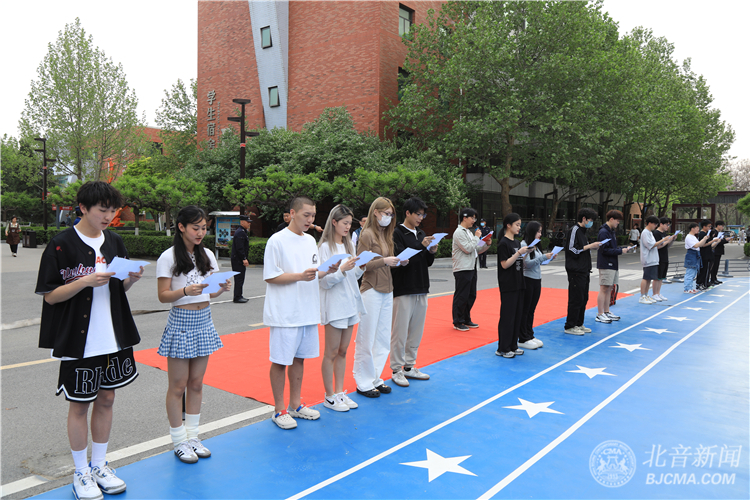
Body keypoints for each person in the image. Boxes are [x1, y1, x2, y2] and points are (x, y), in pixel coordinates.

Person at [35, 181, 144, 500]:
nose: (109, 216)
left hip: (113, 335)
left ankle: (100, 464)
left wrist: (130, 281)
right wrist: (83, 281)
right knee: (80, 404)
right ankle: (80, 471)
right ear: (83, 208)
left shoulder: (114, 241)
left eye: (113, 210)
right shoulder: (61, 244)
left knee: (107, 399)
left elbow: (116, 289)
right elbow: (50, 297)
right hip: (78, 339)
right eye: (102, 210)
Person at [156, 206, 231, 463]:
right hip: (181, 321)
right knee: (178, 386)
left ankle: (193, 436)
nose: (201, 233)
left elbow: (209, 292)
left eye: (204, 228)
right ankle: (179, 441)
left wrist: (220, 289)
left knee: (197, 383)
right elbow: (163, 295)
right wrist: (186, 292)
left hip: (204, 319)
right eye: (195, 228)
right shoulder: (168, 257)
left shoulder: (207, 254)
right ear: (181, 227)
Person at [264, 196, 338, 429]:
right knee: (280, 360)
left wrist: (328, 270)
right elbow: (271, 275)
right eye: (306, 215)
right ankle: (279, 410)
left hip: (307, 310)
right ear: (292, 213)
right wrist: (299, 276)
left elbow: (313, 273)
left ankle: (295, 405)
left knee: (300, 359)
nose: (310, 219)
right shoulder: (277, 240)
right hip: (285, 313)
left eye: (313, 216)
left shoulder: (309, 241)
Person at [353, 197, 405, 398]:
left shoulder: (386, 234)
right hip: (371, 288)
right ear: (375, 212)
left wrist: (398, 261)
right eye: (386, 213)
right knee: (366, 337)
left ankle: (375, 377)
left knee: (382, 338)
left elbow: (386, 262)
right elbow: (361, 264)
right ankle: (363, 381)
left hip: (387, 288)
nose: (388, 217)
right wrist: (384, 260)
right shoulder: (367, 234)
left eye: (391, 214)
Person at [317, 204, 364, 412]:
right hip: (335, 305)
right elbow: (323, 282)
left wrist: (359, 267)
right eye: (344, 223)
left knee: (343, 351)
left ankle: (339, 392)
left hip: (350, 303)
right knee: (331, 352)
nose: (348, 227)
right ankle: (329, 396)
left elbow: (352, 278)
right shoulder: (325, 248)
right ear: (334, 222)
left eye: (349, 224)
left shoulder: (349, 246)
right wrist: (342, 270)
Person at [390, 197, 435, 387]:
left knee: (416, 331)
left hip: (421, 287)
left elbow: (426, 262)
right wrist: (421, 246)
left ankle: (409, 366)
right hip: (403, 288)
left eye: (423, 214)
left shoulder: (421, 233)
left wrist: (431, 251)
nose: (421, 218)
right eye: (418, 214)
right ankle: (396, 369)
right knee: (400, 332)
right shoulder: (396, 233)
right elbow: (400, 257)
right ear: (407, 213)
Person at [563, 208, 601, 335]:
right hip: (576, 270)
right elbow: (572, 249)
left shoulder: (583, 232)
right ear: (583, 219)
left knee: (583, 298)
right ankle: (570, 325)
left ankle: (579, 323)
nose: (591, 223)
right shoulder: (574, 230)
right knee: (576, 298)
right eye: (590, 220)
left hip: (584, 270)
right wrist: (590, 246)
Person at [495, 213, 529, 358]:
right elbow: (505, 264)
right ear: (508, 225)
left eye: (520, 225)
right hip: (508, 284)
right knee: (507, 316)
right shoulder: (503, 243)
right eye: (517, 224)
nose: (519, 227)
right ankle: (503, 348)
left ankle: (513, 345)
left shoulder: (516, 242)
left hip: (519, 283)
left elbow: (519, 262)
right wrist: (518, 253)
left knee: (517, 315)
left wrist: (525, 253)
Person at [451, 208, 489, 331]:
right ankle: (458, 321)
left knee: (471, 294)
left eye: (475, 218)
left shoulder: (468, 232)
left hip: (472, 266)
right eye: (472, 218)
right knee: (461, 295)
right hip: (462, 268)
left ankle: (466, 318)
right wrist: (477, 237)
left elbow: (476, 249)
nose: (474, 221)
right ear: (464, 218)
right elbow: (467, 248)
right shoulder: (459, 232)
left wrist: (486, 244)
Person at [519, 221, 554, 348]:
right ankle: (523, 337)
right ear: (532, 231)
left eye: (540, 231)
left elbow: (538, 262)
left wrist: (548, 258)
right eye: (538, 231)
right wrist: (543, 257)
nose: (540, 234)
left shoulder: (536, 246)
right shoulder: (524, 245)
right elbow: (527, 264)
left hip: (537, 279)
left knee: (531, 309)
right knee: (526, 309)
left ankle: (529, 334)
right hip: (527, 279)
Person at [596, 210, 634, 324]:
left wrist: (621, 249)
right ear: (611, 219)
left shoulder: (611, 231)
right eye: (617, 221)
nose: (618, 223)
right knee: (604, 288)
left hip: (613, 263)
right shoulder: (604, 232)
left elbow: (611, 247)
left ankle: (606, 311)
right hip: (606, 263)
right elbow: (604, 249)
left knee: (609, 288)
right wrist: (620, 251)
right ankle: (600, 314)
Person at [639, 215, 675, 304]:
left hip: (653, 258)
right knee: (646, 278)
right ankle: (642, 296)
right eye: (655, 224)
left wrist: (667, 240)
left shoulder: (649, 232)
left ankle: (646, 295)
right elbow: (651, 245)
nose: (655, 226)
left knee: (649, 279)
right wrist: (664, 240)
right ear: (650, 223)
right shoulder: (645, 232)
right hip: (648, 258)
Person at [652, 217, 677, 301]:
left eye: (669, 225)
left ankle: (658, 293)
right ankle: (654, 293)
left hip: (665, 256)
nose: (668, 226)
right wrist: (666, 240)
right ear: (661, 224)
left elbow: (667, 246)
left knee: (662, 277)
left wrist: (671, 240)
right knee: (657, 277)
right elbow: (657, 246)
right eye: (667, 224)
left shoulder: (664, 234)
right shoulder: (656, 233)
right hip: (658, 257)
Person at [683, 222, 713, 293]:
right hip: (691, 254)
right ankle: (687, 288)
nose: (698, 230)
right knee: (690, 272)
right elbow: (696, 245)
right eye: (696, 228)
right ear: (692, 229)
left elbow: (700, 245)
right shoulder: (689, 237)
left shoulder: (693, 237)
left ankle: (690, 287)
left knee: (693, 273)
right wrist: (704, 239)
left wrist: (705, 239)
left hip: (696, 254)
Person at [231, 215, 251, 303]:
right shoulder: (240, 233)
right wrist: (244, 258)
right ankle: (237, 297)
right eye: (247, 222)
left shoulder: (242, 231)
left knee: (240, 278)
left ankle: (239, 295)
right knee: (239, 278)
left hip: (238, 259)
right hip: (238, 260)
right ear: (242, 222)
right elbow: (240, 248)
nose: (249, 224)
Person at [696, 219, 720, 290]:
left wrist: (715, 241)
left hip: (709, 254)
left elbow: (710, 245)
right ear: (704, 226)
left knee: (707, 270)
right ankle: (701, 283)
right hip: (704, 254)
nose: (710, 227)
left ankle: (705, 282)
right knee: (704, 270)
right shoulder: (702, 234)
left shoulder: (707, 234)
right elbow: (703, 245)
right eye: (709, 226)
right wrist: (713, 240)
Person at [709, 220, 730, 285]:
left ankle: (714, 278)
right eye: (722, 226)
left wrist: (725, 240)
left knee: (716, 265)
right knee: (714, 266)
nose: (723, 227)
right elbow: (716, 241)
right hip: (715, 251)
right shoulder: (714, 232)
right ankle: (712, 279)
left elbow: (720, 241)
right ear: (718, 225)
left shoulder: (719, 232)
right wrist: (725, 240)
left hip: (719, 251)